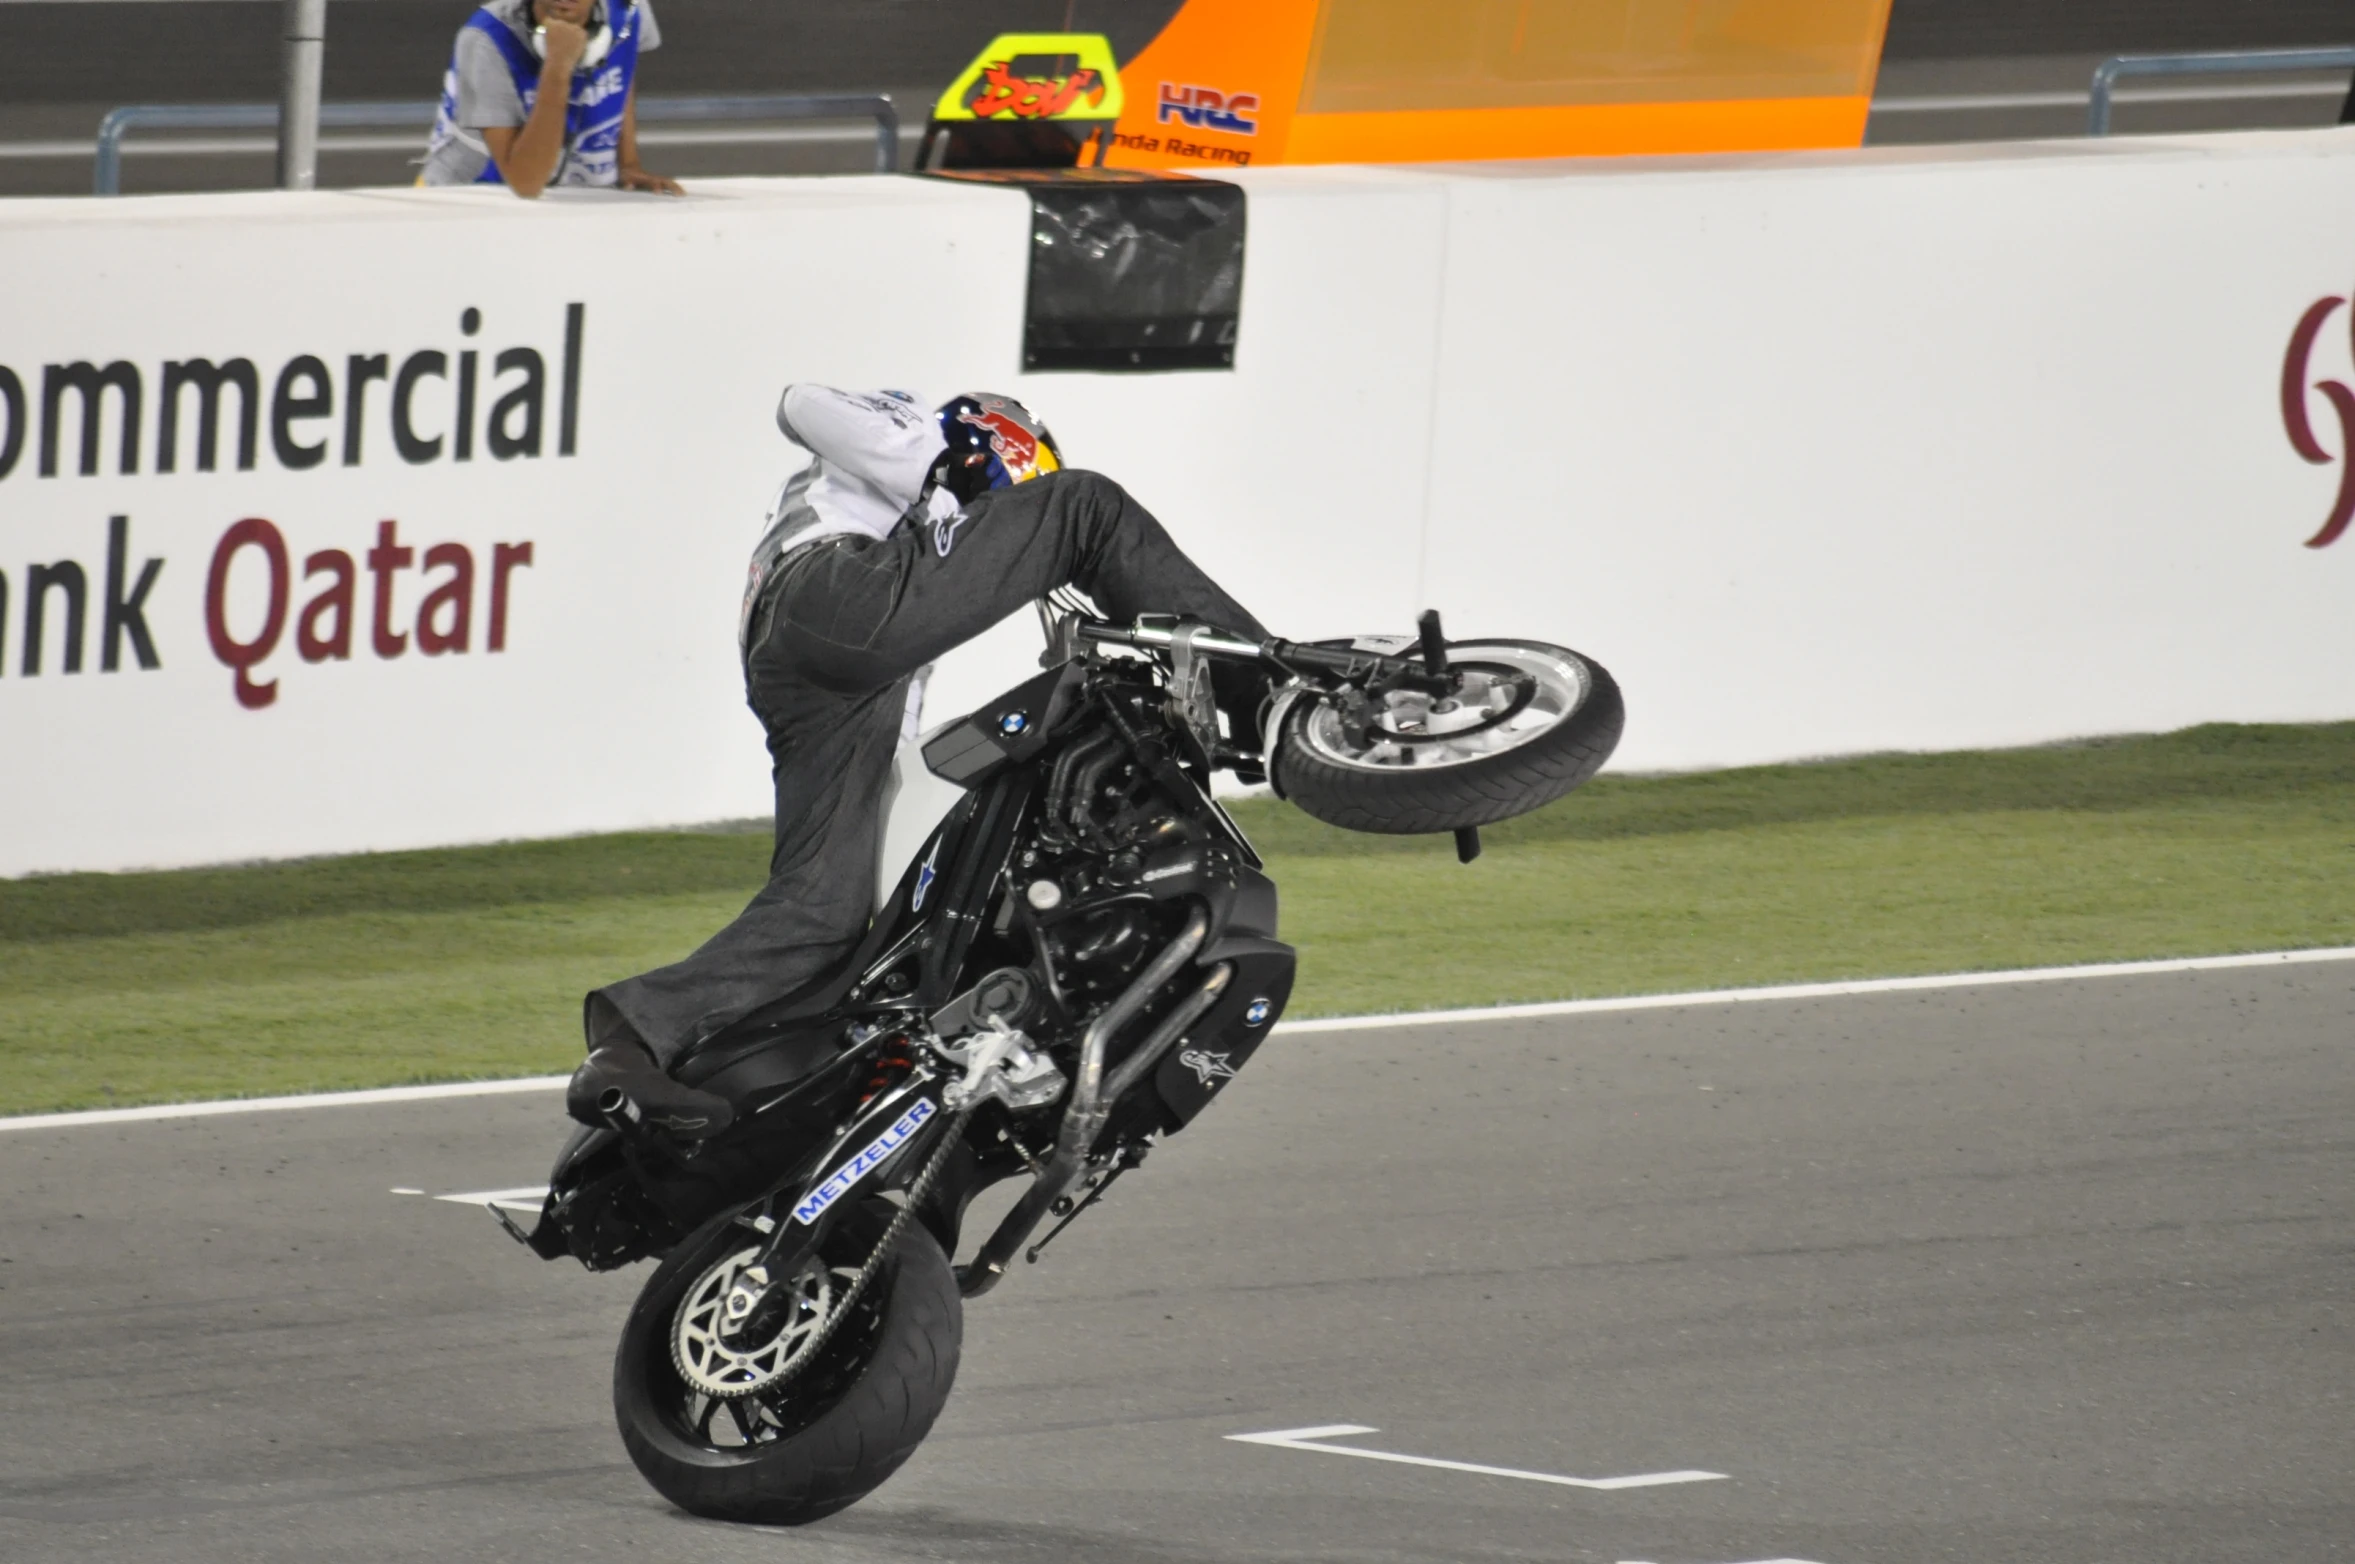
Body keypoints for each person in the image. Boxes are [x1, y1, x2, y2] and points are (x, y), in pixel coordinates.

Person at [567, 385, 1268, 1135]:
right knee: (1086, 508)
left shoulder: (918, 572)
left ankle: (631, 1045)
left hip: (826, 683)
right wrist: (937, 463)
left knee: (826, 912)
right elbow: (798, 403)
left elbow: (901, 710)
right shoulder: (912, 428)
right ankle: (1268, 690)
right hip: (825, 595)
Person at [420, 0, 681, 196]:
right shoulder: (486, 41)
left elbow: (619, 75)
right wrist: (557, 68)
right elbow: (526, 183)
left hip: (565, 200)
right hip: (472, 199)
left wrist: (628, 164)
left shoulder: (629, 12)